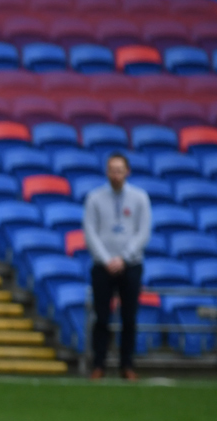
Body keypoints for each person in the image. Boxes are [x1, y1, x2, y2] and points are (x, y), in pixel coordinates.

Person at [82, 154, 150, 382]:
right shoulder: (94, 198)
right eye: (112, 169)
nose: (116, 174)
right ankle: (98, 365)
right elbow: (90, 231)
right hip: (102, 266)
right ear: (106, 171)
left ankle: (127, 365)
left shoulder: (140, 198)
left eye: (119, 169)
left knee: (129, 318)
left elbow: (143, 232)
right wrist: (106, 259)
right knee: (101, 317)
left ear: (127, 171)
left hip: (131, 266)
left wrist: (124, 258)